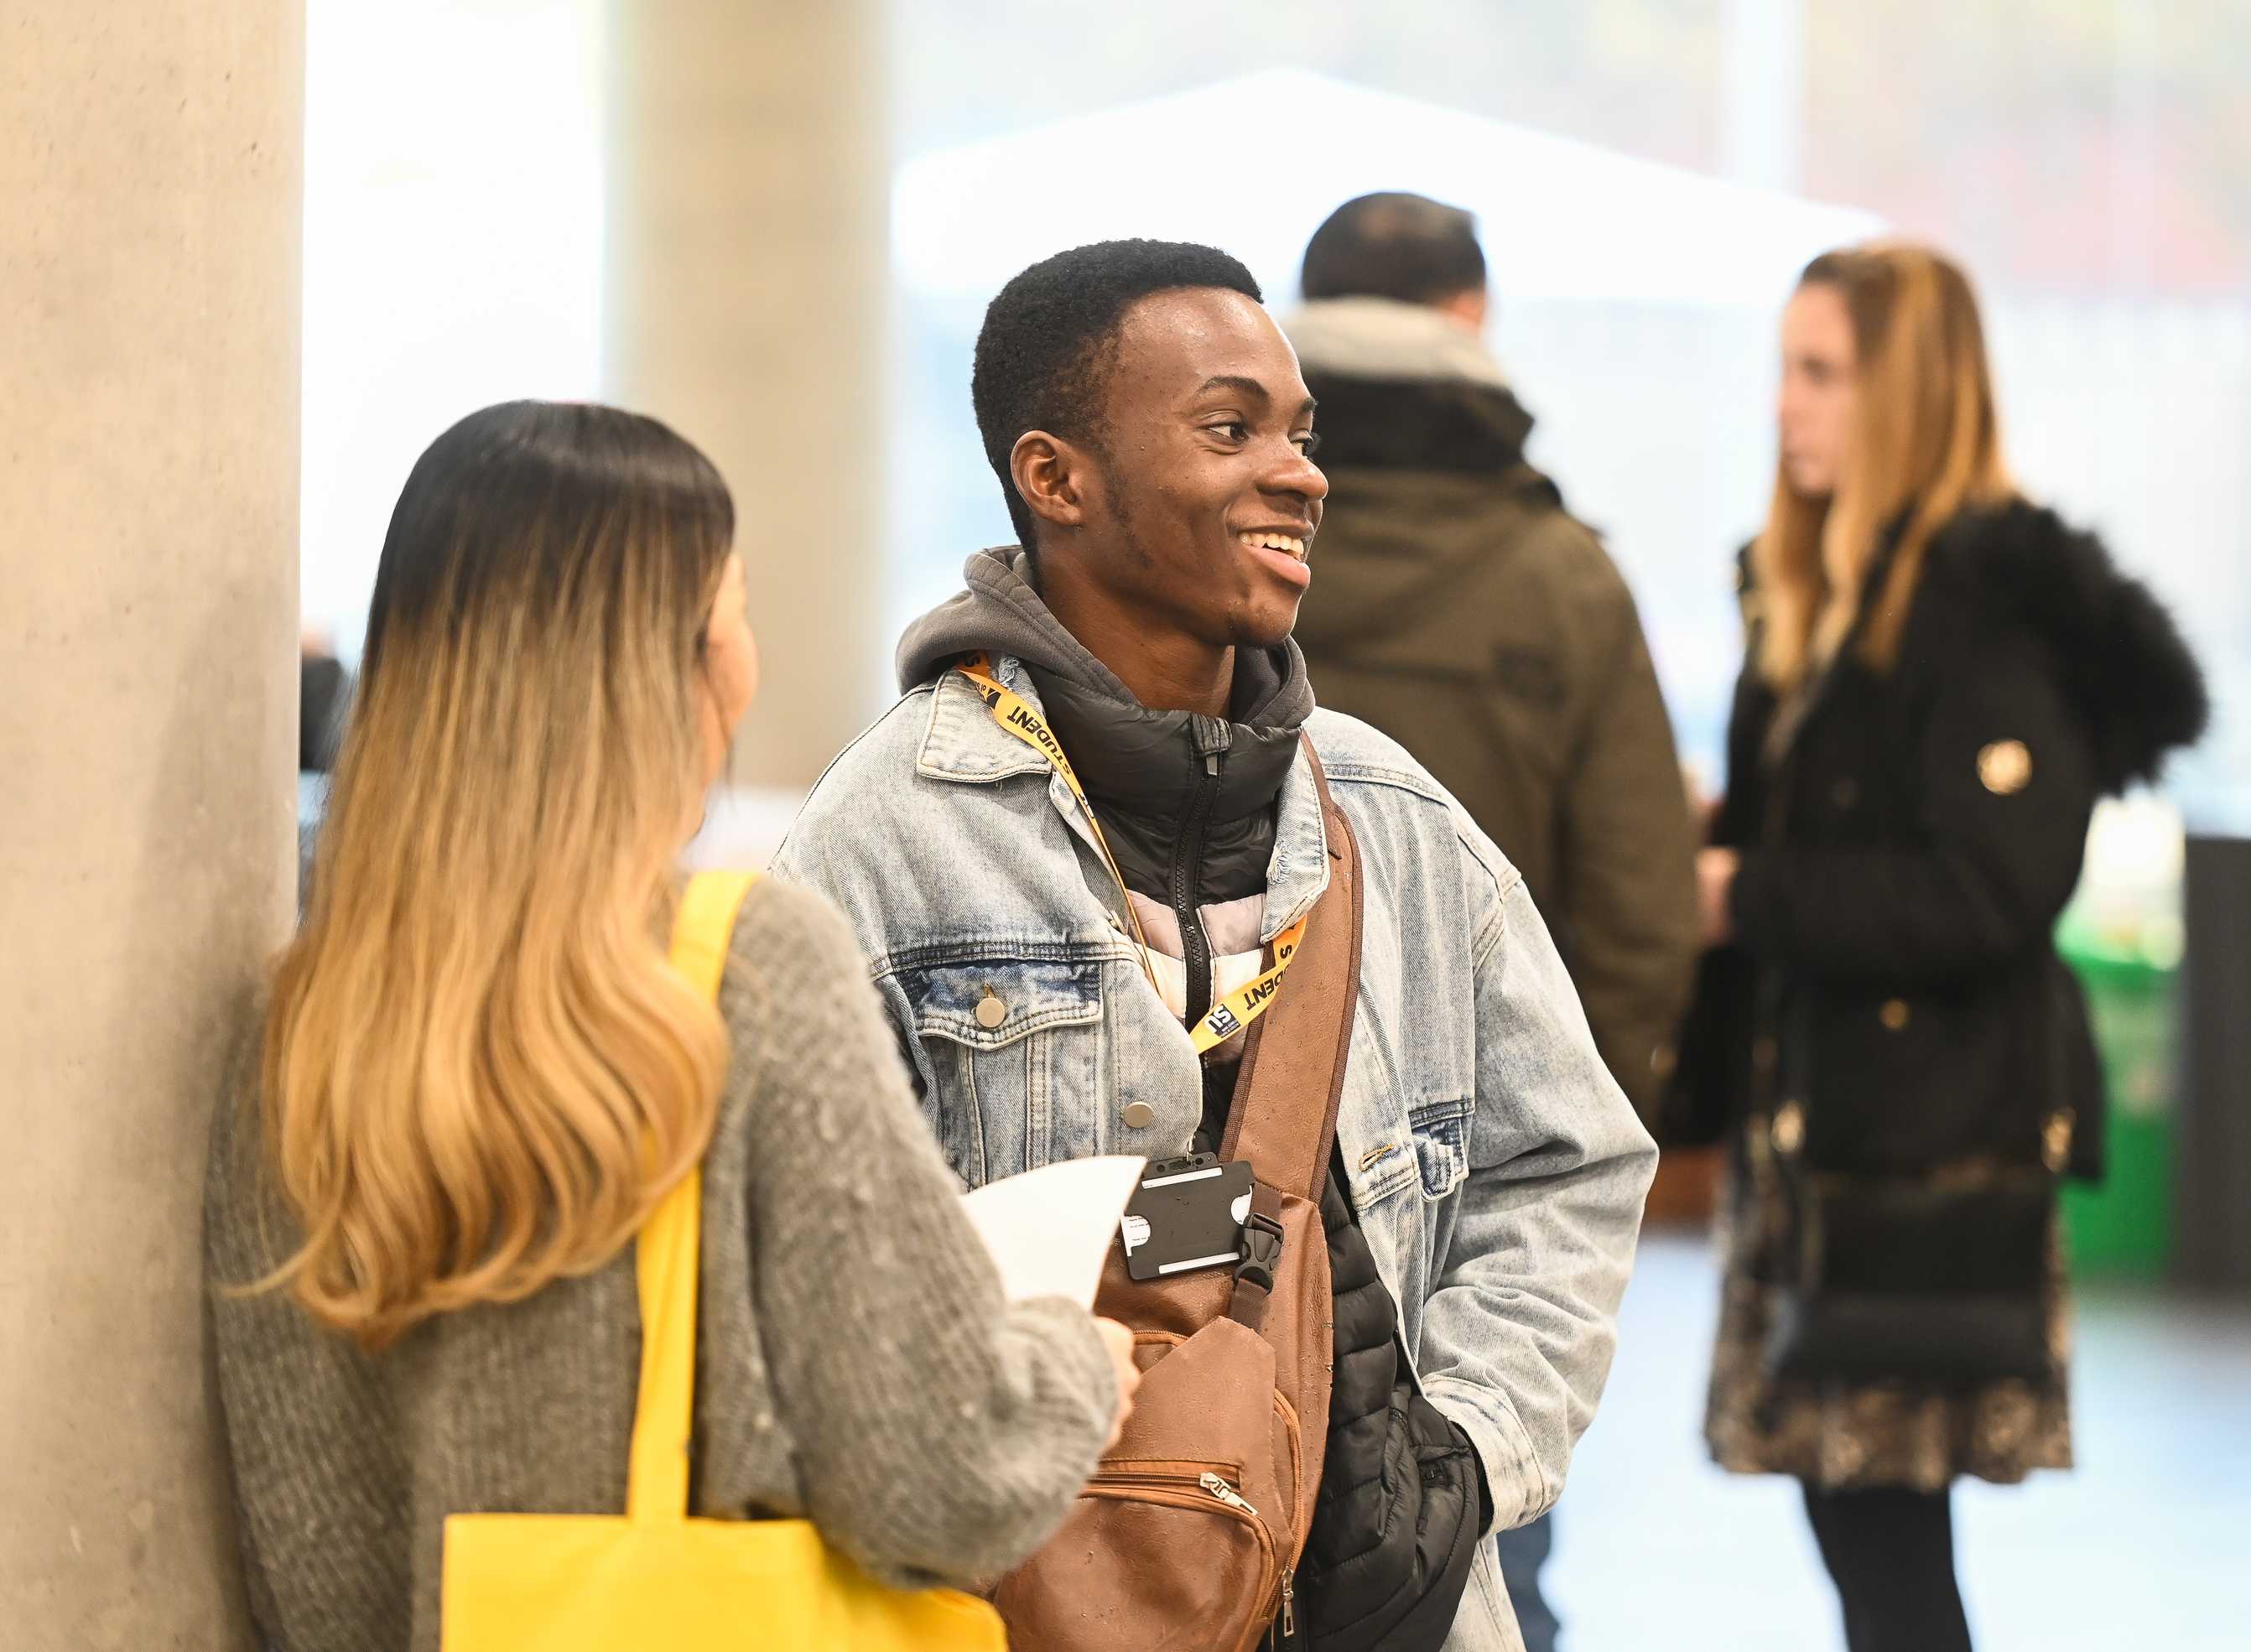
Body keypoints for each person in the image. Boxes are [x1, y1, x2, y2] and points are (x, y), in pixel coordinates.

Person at [773, 240, 1658, 1652]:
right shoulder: (890, 835)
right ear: (1056, 478)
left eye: (1299, 434)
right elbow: (806, 1274)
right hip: (1039, 1604)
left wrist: (1473, 1457)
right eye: (1228, 428)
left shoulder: (1389, 816)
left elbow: (1572, 1164)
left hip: (1390, 1606)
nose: (1299, 472)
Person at [205, 400, 1138, 1652]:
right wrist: (1073, 1366)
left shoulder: (291, 1024)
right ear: (690, 657)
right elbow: (942, 1480)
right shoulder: (742, 968)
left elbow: (299, 1521)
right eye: (737, 604)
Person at [1681, 243, 2207, 1652]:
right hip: (1838, 1123)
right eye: (1784, 367)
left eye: (1822, 373)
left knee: (1883, 1538)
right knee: (1864, 1530)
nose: (1786, 405)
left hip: (1921, 1142)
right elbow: (1864, 820)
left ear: (1906, 392)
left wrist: (1741, 889)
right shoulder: (1824, 591)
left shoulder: (1981, 610)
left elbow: (1989, 889)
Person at [1284, 193, 1698, 1652]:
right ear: (1469, 325)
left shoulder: (1200, 559)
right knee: (1489, 1548)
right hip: (1473, 1189)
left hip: (1219, 1182)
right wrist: (1560, 1148)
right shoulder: (1562, 578)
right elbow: (1645, 906)